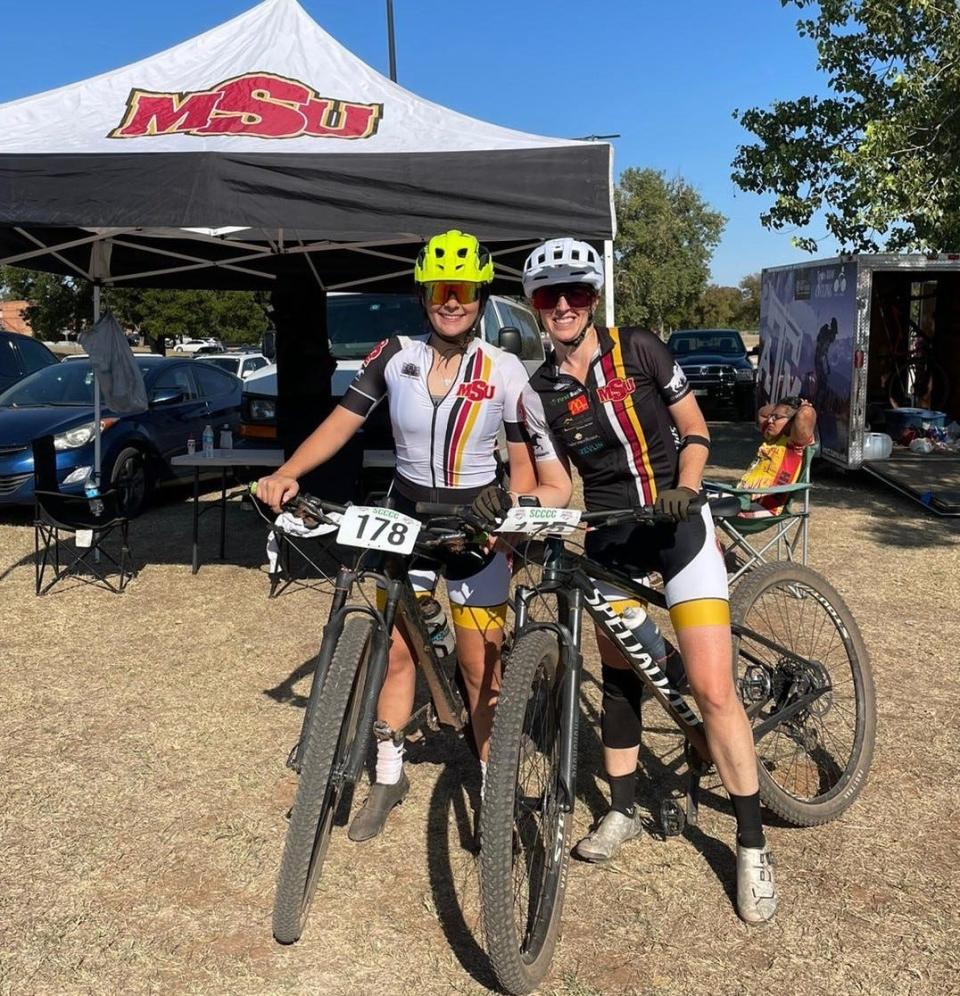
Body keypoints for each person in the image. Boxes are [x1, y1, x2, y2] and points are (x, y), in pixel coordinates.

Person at [256, 230, 570, 842]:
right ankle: (388, 774)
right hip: (405, 520)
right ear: (423, 295)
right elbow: (341, 422)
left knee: (482, 670)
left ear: (480, 297)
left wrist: (513, 517)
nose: (451, 302)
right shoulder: (394, 354)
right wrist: (287, 472)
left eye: (464, 291)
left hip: (475, 530)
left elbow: (525, 463)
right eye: (439, 291)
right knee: (396, 651)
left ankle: (491, 785)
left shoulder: (503, 368)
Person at [508, 237, 777, 925]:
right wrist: (512, 506)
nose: (563, 305)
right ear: (535, 307)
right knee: (622, 674)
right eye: (548, 296)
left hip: (676, 522)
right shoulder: (540, 390)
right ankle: (623, 810)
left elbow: (694, 429)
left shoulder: (640, 348)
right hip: (610, 536)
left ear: (593, 297)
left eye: (574, 293)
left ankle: (751, 845)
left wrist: (687, 489)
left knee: (714, 690)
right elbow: (557, 481)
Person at [738, 395, 817, 518]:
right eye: (771, 417)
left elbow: (805, 414)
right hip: (742, 499)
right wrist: (781, 407)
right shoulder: (773, 436)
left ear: (792, 422)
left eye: (776, 418)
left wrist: (803, 406)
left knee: (702, 506)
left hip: (762, 507)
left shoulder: (794, 444)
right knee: (702, 500)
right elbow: (762, 412)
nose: (770, 420)